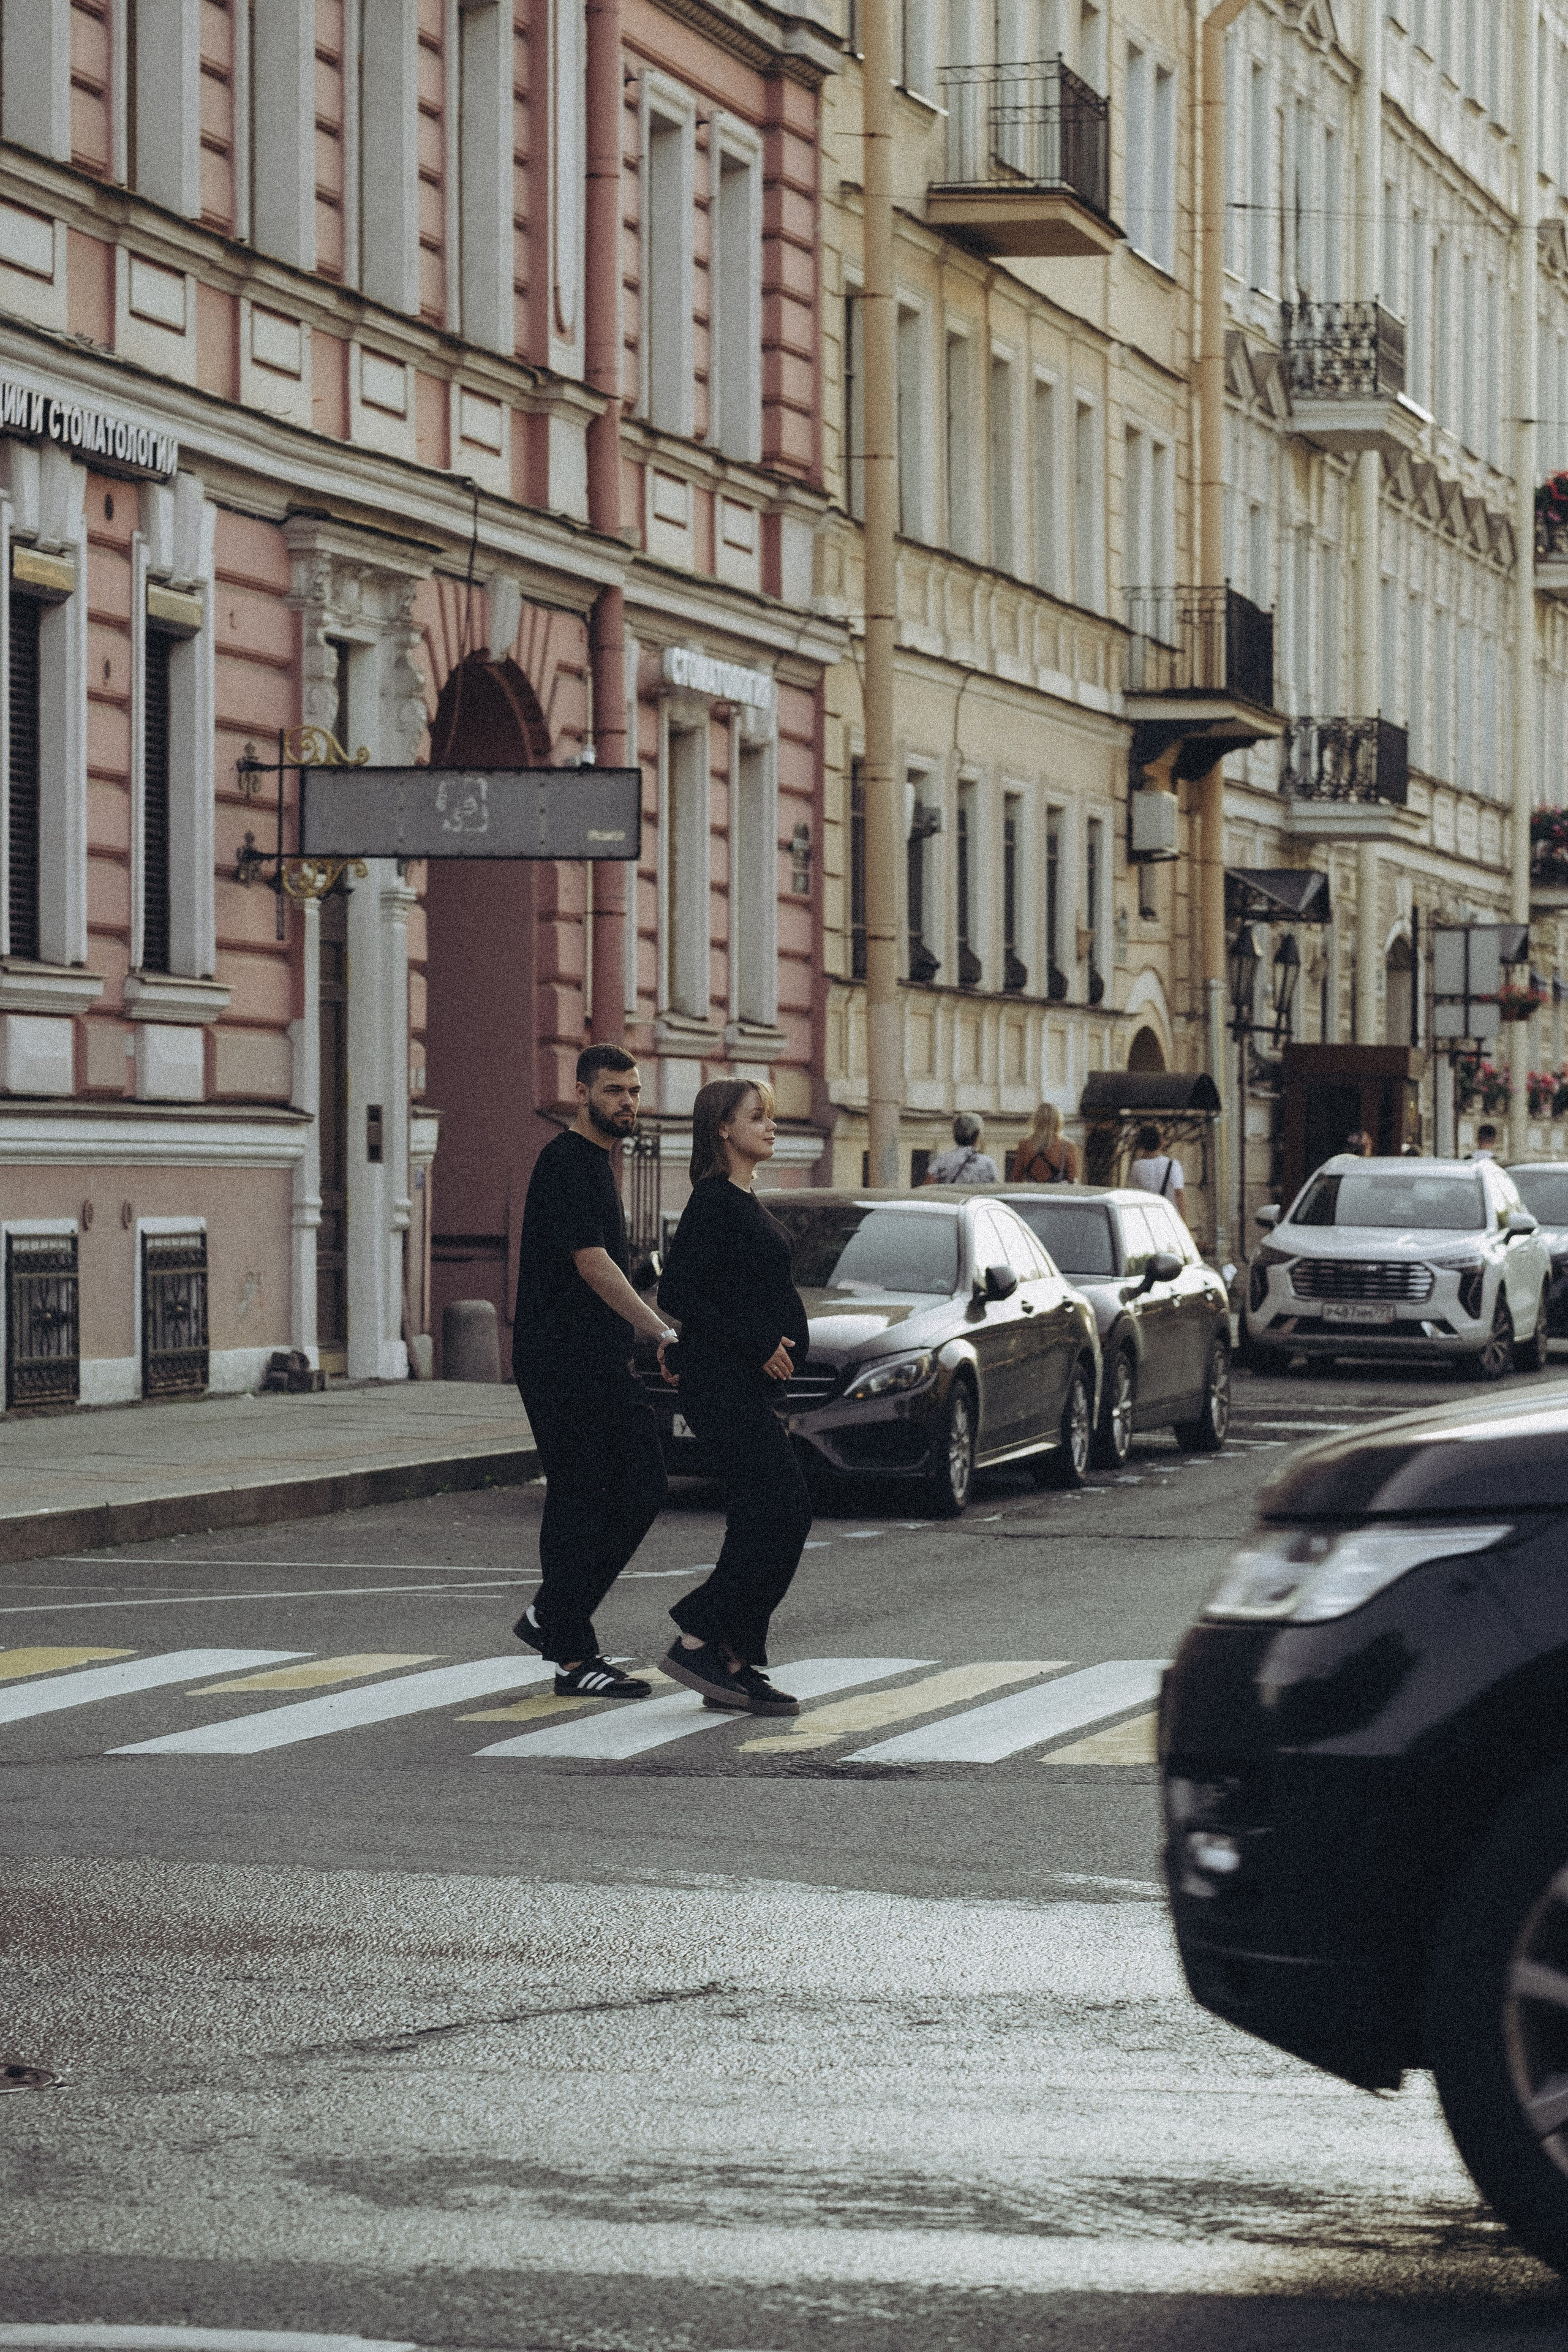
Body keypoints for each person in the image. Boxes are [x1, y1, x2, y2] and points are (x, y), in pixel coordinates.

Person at [509, 1043, 677, 1698]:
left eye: (633, 1091)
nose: (627, 1102)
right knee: (600, 1493)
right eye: (613, 1091)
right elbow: (591, 1263)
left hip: (594, 1357)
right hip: (562, 1359)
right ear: (581, 1093)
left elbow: (602, 1264)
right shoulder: (567, 1162)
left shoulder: (597, 1164)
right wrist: (659, 1329)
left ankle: (554, 1620)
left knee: (619, 1489)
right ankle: (569, 1648)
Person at [656, 1079, 814, 1717]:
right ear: (722, 1128)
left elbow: (741, 1292)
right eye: (757, 1117)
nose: (771, 1126)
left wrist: (779, 1344)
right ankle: (700, 1636)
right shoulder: (713, 1202)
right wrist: (757, 1342)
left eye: (771, 1116)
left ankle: (732, 1659)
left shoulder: (744, 1201)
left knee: (761, 1515)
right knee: (785, 1508)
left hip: (743, 1385)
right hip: (720, 1387)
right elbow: (679, 1293)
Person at [1129, 1122, 1186, 1223]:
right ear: (1161, 1143)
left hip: (1147, 1218)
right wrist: (1184, 1222)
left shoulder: (1136, 1167)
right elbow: (1179, 1194)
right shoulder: (1173, 1165)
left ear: (1141, 1145)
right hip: (1169, 1218)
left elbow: (1134, 1194)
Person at [923, 1112, 999, 1185]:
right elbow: (995, 1190)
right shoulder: (988, 1163)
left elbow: (928, 1188)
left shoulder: (941, 1160)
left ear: (955, 1135)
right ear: (977, 1136)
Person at [1012, 1101, 1079, 1185]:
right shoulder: (1067, 1146)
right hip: (1056, 1192)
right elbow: (1073, 1179)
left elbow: (1017, 1178)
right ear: (1058, 1122)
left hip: (1032, 1192)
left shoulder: (1024, 1144)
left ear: (1036, 1120)